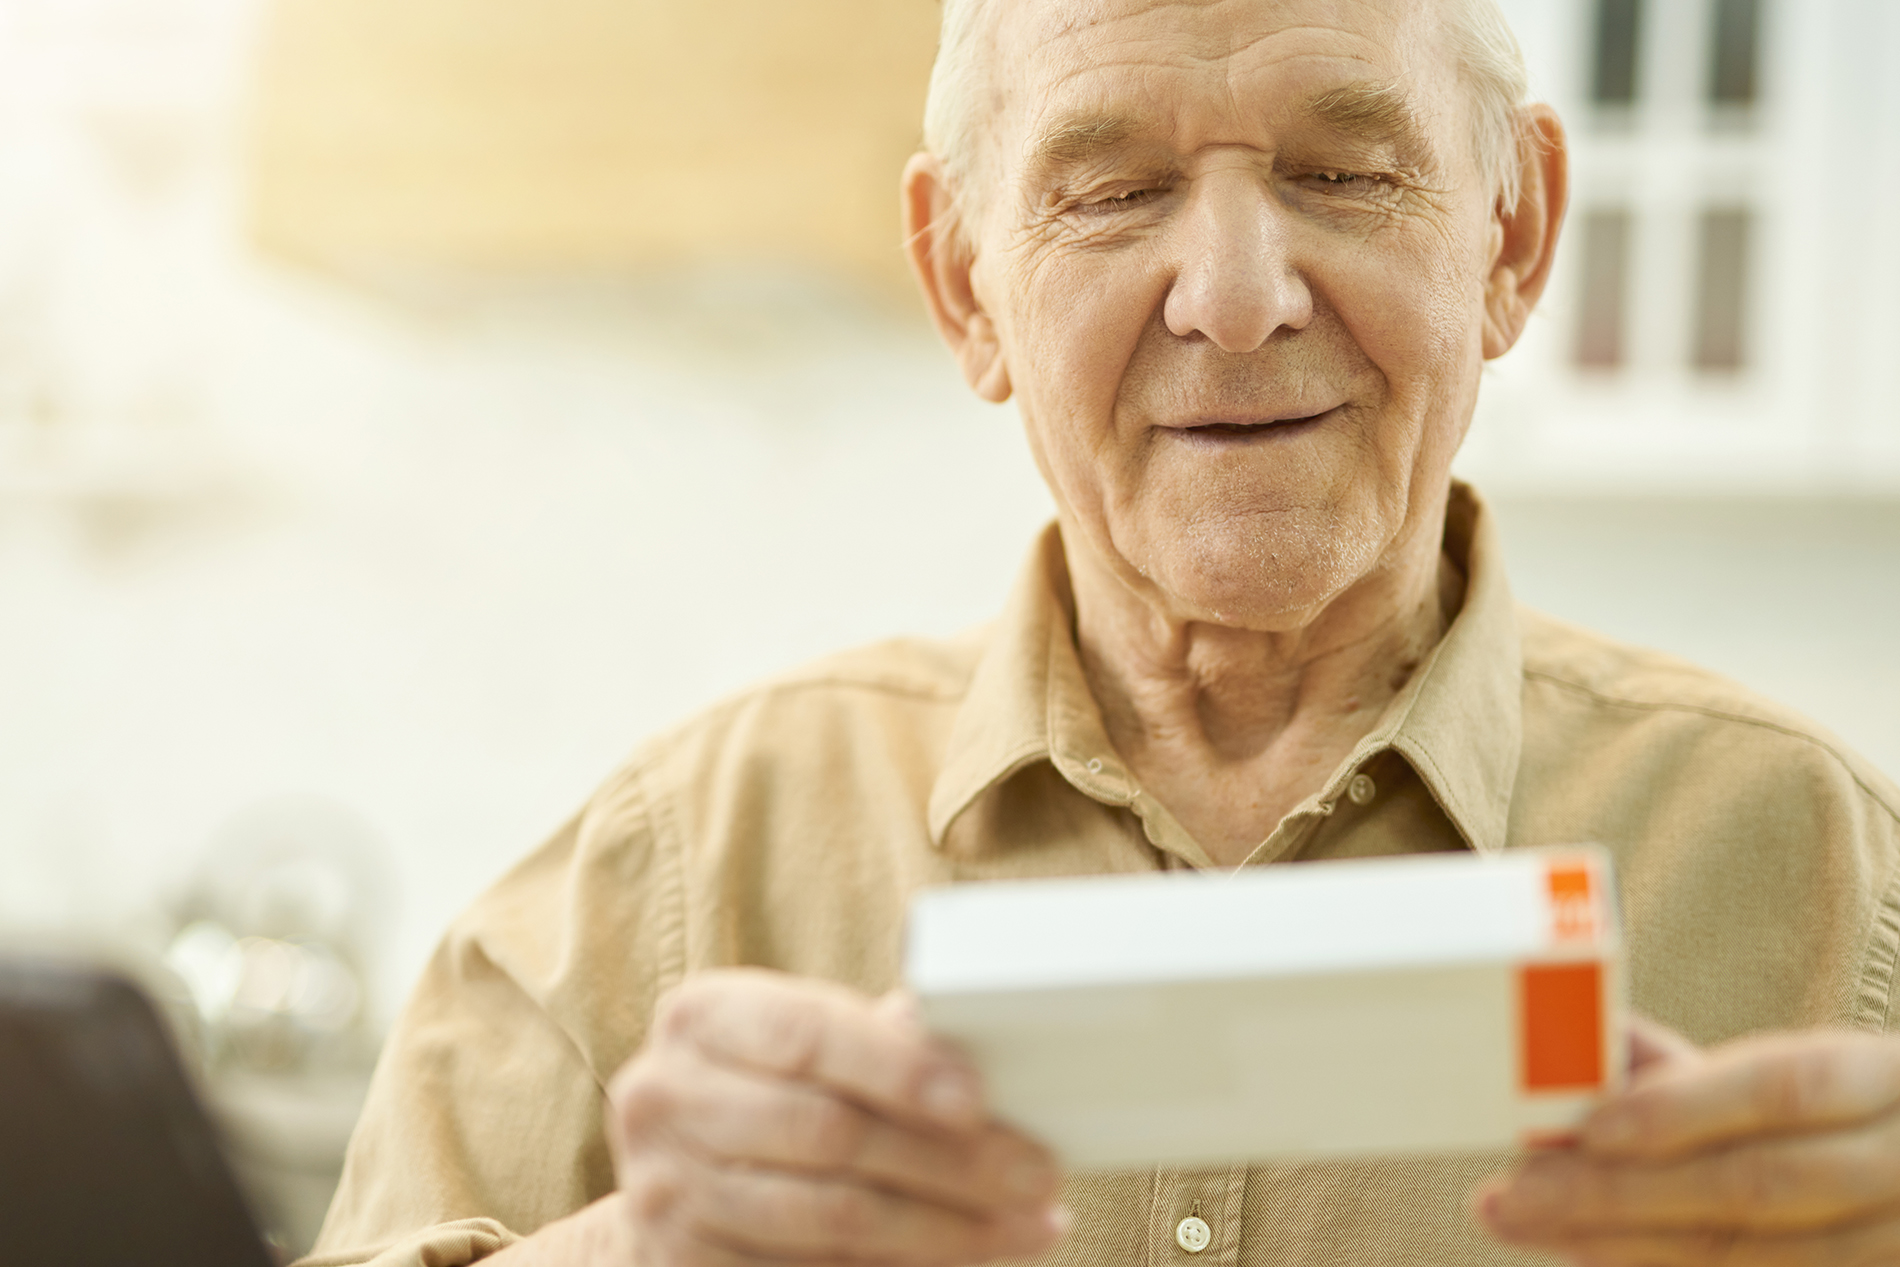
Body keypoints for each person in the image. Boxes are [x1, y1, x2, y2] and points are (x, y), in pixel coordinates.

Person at [298, 0, 1900, 1264]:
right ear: (967, 286)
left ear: (1515, 236)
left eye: (1342, 173)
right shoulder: (682, 865)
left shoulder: (1823, 871)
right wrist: (643, 1257)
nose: (1233, 293)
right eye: (1114, 191)